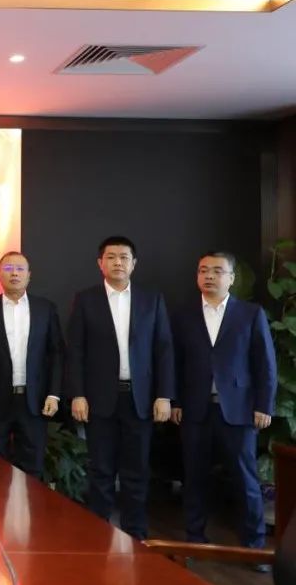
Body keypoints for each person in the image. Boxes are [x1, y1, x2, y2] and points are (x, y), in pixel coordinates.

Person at [172, 251, 276, 565]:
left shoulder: (250, 314)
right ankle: (195, 541)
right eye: (203, 270)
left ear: (231, 278)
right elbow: (174, 363)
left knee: (246, 480)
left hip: (239, 411)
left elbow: (265, 364)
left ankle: (254, 548)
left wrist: (264, 405)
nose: (209, 276)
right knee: (194, 478)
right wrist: (175, 401)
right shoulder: (184, 315)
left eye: (217, 271)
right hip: (195, 411)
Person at [67, 235, 174, 540]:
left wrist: (164, 395)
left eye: (124, 257)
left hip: (140, 398)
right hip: (100, 398)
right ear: (100, 263)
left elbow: (164, 349)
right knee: (100, 470)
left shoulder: (151, 300)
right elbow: (75, 351)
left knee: (136, 470)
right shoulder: (86, 300)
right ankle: (97, 532)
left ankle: (135, 533)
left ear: (134, 263)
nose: (118, 262)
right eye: (111, 257)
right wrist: (78, 394)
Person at [0, 251, 63, 478]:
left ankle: (29, 504)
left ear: (29, 275)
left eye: (20, 269)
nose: (14, 274)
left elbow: (57, 354)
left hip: (35, 402)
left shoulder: (45, 308)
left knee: (32, 469)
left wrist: (54, 394)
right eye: (8, 269)